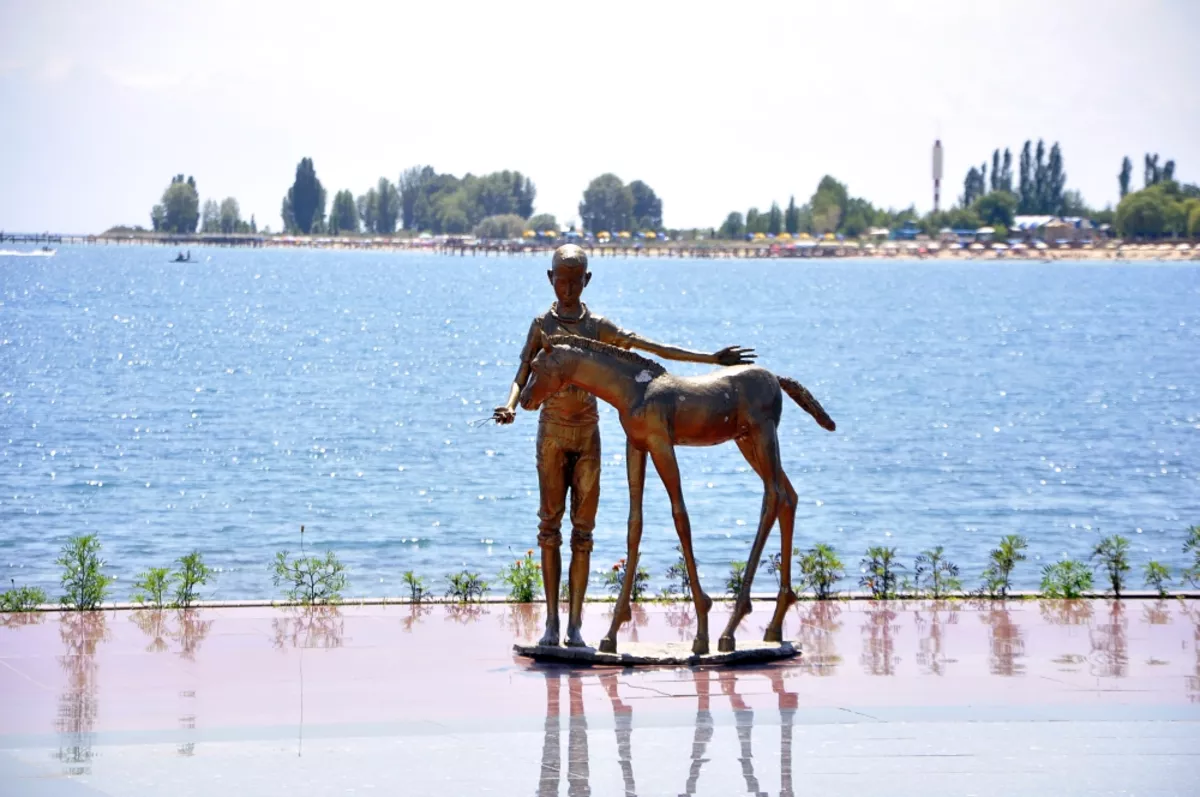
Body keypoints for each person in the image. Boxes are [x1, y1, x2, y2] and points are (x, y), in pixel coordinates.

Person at [494, 244, 754, 647]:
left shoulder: (598, 326)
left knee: (584, 531)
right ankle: (550, 623)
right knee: (549, 527)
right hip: (551, 433)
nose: (567, 288)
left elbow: (652, 349)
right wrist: (511, 406)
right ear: (550, 279)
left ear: (587, 280)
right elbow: (523, 370)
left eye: (575, 280)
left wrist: (711, 359)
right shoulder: (541, 325)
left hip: (587, 433)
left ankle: (576, 625)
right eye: (560, 280)